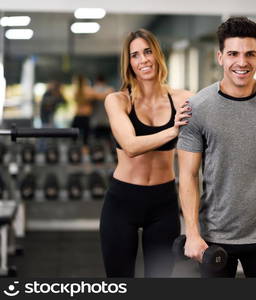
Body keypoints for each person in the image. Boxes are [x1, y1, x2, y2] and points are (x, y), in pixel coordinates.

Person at [177, 17, 256, 278]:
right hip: (214, 238)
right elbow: (188, 176)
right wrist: (191, 233)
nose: (242, 62)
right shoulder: (198, 108)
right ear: (220, 57)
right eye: (233, 53)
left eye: (249, 54)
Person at [99, 29, 193, 278]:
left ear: (157, 55)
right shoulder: (118, 100)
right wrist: (173, 131)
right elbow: (130, 146)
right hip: (123, 201)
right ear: (129, 63)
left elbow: (222, 100)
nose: (143, 60)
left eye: (148, 52)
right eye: (135, 55)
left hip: (163, 202)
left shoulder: (182, 99)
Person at [90, 74, 114, 140]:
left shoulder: (92, 90)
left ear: (96, 81)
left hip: (96, 121)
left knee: (95, 141)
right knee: (108, 141)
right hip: (107, 121)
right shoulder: (109, 90)